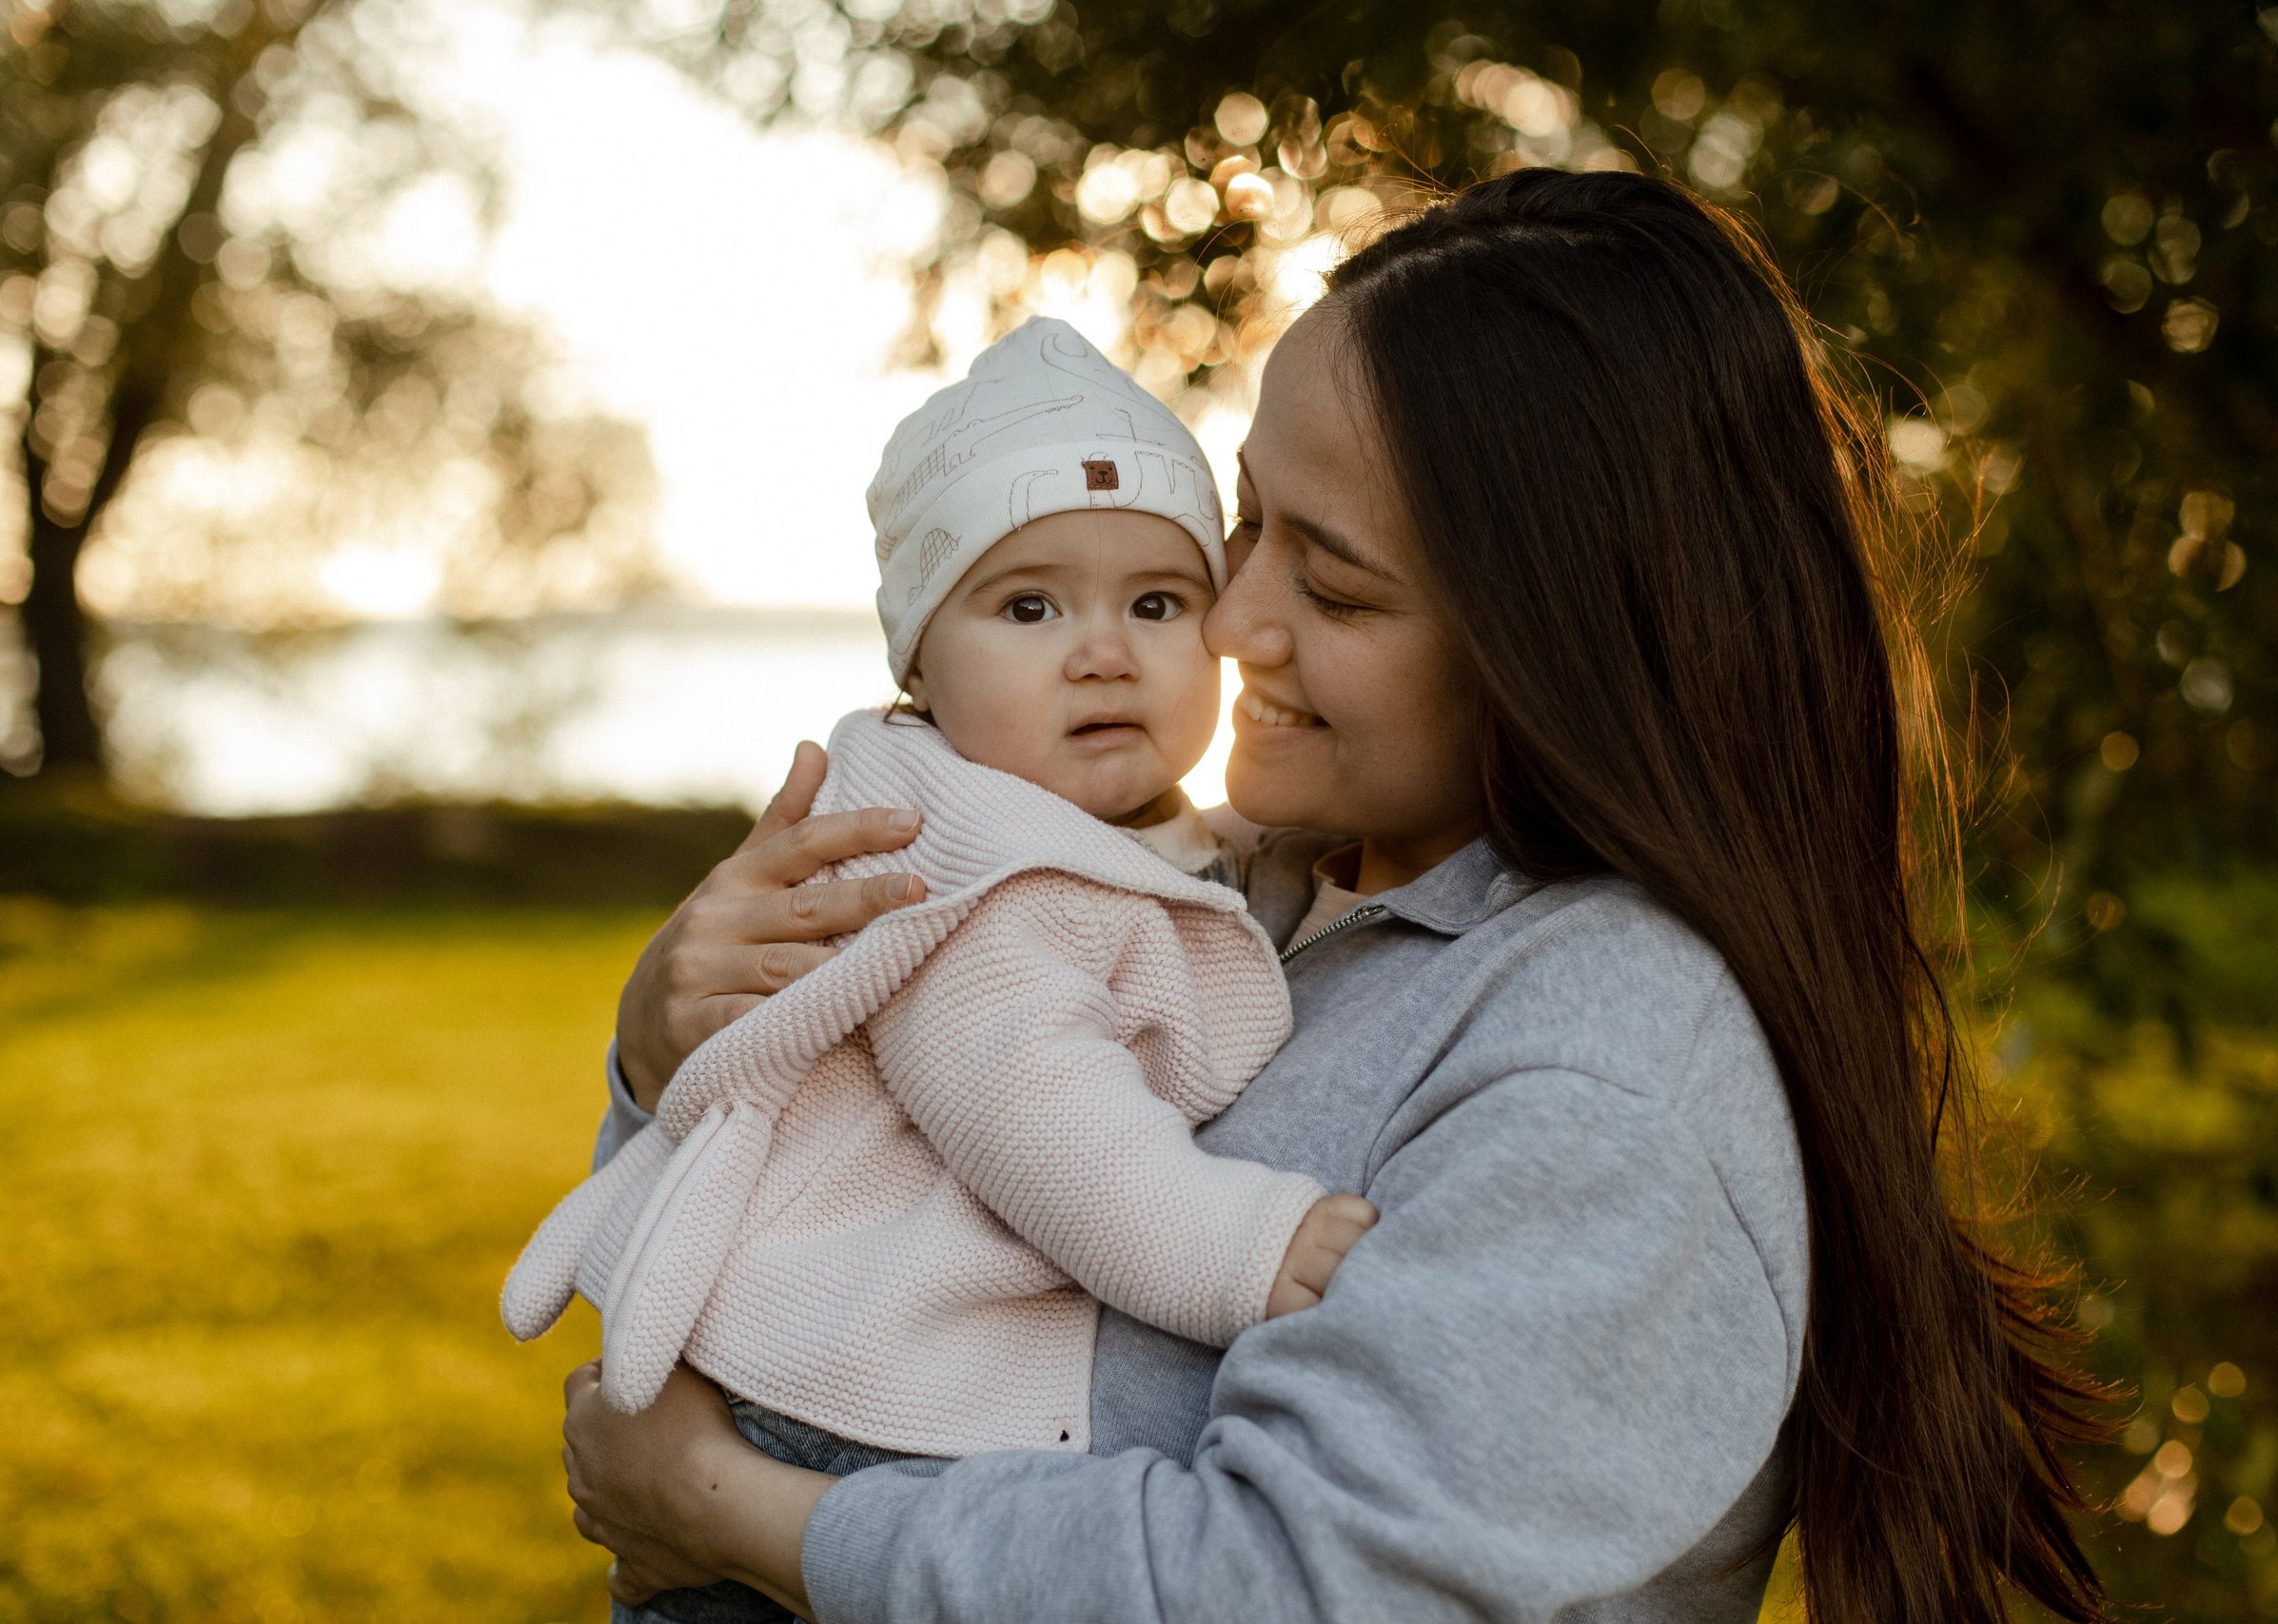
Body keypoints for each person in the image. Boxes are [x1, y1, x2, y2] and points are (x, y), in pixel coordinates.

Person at [559, 170, 2111, 1624]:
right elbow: (854, 1173)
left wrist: (740, 1517)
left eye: (1337, 582)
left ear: (1554, 645)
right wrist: (666, 1049)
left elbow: (1282, 1589)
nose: (1227, 623)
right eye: (1242, 527)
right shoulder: (1243, 886)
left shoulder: (1605, 1064)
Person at [507, 318, 1375, 1624]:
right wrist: (1246, 1246)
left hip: (861, 1412)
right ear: (918, 658)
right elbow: (1044, 1120)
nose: (1103, 651)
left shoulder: (1114, 833)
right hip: (833, 1425)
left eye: (1157, 602)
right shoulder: (961, 872)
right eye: (1029, 607)